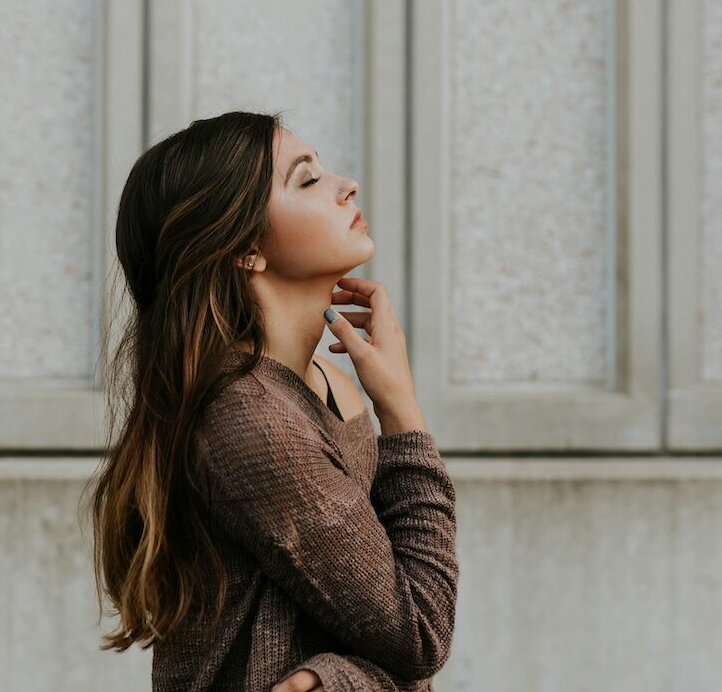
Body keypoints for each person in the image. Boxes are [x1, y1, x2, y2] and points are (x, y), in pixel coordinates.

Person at [83, 111, 459, 690]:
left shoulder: (331, 385)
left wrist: (340, 677)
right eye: (307, 179)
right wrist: (404, 415)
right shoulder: (251, 420)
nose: (346, 184)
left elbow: (381, 626)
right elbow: (421, 631)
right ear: (243, 248)